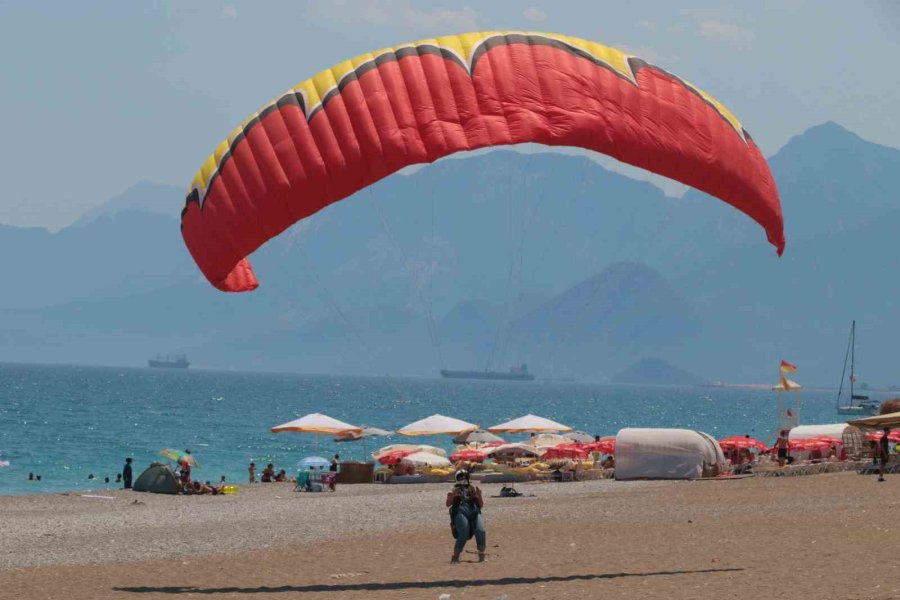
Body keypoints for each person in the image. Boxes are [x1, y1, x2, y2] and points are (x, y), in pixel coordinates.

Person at [446, 469, 486, 564]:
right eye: (461, 477)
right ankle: (456, 555)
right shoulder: (453, 489)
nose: (463, 479)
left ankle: (481, 554)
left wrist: (479, 495)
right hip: (460, 511)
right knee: (463, 532)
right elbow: (448, 504)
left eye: (464, 477)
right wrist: (453, 495)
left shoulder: (472, 489)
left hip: (474, 511)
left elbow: (480, 505)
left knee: (481, 530)